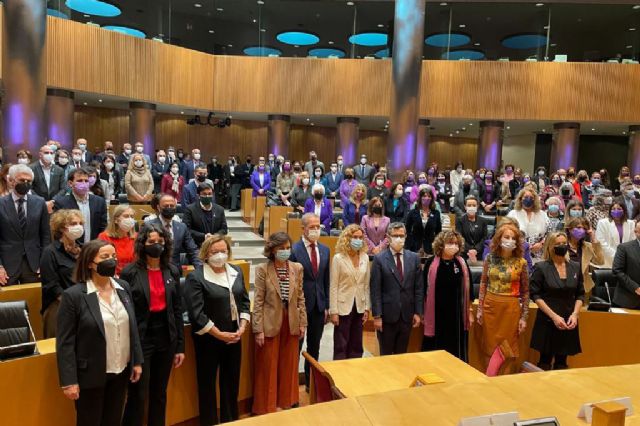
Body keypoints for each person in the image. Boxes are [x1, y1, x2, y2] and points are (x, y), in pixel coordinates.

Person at [56, 240, 143, 426]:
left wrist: (137, 360)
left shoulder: (123, 287)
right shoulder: (74, 296)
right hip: (90, 374)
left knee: (113, 421)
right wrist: (69, 381)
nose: (111, 260)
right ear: (89, 263)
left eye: (113, 256)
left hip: (120, 370)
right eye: (104, 257)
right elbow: (65, 343)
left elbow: (132, 327)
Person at [121, 225, 185, 426]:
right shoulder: (130, 272)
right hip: (142, 337)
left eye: (160, 242)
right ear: (142, 244)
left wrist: (180, 346)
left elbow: (177, 310)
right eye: (151, 242)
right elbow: (127, 312)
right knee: (138, 394)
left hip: (166, 336)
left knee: (159, 393)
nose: (156, 246)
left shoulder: (172, 270)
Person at [252, 232, 307, 414]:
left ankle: (287, 400)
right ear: (272, 249)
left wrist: (303, 323)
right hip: (270, 321)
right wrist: (257, 329)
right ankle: (266, 405)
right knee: (268, 365)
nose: (285, 251)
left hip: (291, 320)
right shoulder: (262, 269)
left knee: (289, 363)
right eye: (281, 248)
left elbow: (300, 298)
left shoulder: (297, 268)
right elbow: (258, 301)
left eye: (287, 248)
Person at [477, 222, 529, 374]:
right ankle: (490, 378)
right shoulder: (489, 258)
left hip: (511, 308)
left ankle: (505, 380)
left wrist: (524, 317)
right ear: (499, 238)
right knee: (490, 347)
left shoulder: (522, 262)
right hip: (490, 306)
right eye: (506, 237)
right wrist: (480, 308)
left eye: (513, 238)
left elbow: (525, 292)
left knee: (508, 348)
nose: (510, 240)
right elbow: (483, 283)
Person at [530, 232, 585, 370]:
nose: (562, 246)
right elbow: (535, 295)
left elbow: (580, 294)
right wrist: (554, 316)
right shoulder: (541, 267)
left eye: (564, 243)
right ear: (550, 246)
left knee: (562, 363)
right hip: (548, 319)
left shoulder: (575, 266)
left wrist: (575, 315)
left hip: (568, 319)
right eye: (558, 244)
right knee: (545, 361)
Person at [288, 213, 330, 390]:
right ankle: (290, 388)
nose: (315, 230)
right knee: (295, 348)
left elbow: (325, 280)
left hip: (319, 306)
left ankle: (311, 385)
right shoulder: (293, 250)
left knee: (314, 347)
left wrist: (327, 304)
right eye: (312, 227)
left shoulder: (325, 250)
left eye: (317, 226)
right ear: (303, 229)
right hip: (300, 307)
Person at [370, 222, 423, 355]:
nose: (399, 238)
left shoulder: (414, 258)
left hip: (407, 315)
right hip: (387, 317)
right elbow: (375, 290)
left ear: (405, 236)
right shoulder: (379, 259)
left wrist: (418, 312)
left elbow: (418, 288)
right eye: (395, 235)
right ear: (388, 237)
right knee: (386, 355)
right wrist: (377, 316)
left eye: (401, 235)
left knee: (402, 355)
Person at [422, 230, 473, 361]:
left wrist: (470, 311)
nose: (453, 246)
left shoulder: (461, 263)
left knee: (455, 350)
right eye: (450, 243)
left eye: (456, 243)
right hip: (436, 313)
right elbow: (423, 288)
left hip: (456, 315)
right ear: (441, 244)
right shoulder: (431, 263)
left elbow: (470, 288)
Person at [0, 164, 51, 285]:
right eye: (22, 180)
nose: (26, 183)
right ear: (11, 181)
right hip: (7, 264)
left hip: (34, 264)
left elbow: (46, 236)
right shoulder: (1, 204)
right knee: (8, 302)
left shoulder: (39, 202)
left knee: (34, 301)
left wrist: (44, 263)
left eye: (29, 181)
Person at [40, 209, 84, 338]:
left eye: (80, 223)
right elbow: (51, 285)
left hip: (83, 303)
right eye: (73, 223)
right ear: (62, 228)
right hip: (59, 305)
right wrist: (70, 304)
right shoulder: (50, 252)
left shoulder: (84, 249)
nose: (79, 227)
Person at [329, 225, 370, 359]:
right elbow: (334, 286)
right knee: (341, 344)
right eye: (355, 237)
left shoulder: (365, 257)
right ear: (347, 238)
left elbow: (366, 285)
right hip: (342, 307)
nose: (358, 240)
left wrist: (367, 308)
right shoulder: (338, 258)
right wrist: (333, 311)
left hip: (359, 306)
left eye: (360, 237)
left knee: (356, 345)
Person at [146, 193, 202, 267]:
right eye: (166, 206)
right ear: (158, 207)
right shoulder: (149, 226)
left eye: (172, 206)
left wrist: (200, 268)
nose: (169, 208)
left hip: (175, 271)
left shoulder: (182, 227)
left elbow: (193, 250)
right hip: (155, 267)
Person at [54, 168, 108, 242]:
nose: (84, 183)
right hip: (71, 247)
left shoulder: (99, 201)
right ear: (70, 183)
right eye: (80, 181)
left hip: (93, 246)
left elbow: (103, 226)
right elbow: (58, 229)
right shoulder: (61, 203)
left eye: (86, 181)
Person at [564, 217, 604, 294]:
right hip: (564, 286)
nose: (581, 230)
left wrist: (593, 238)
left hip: (583, 288)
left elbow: (600, 261)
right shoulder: (562, 245)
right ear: (569, 229)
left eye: (584, 228)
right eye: (578, 227)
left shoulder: (587, 247)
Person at [507, 188, 548, 259]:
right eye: (525, 197)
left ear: (535, 200)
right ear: (520, 199)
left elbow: (550, 232)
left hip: (539, 254)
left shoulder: (543, 214)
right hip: (517, 252)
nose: (528, 199)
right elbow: (506, 232)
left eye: (531, 197)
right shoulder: (512, 214)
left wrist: (542, 243)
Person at [98, 205, 137, 276]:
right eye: (126, 216)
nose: (130, 219)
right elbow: (103, 261)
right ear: (116, 220)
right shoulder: (104, 237)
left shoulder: (136, 237)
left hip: (133, 275)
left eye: (132, 216)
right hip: (112, 276)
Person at [596, 201, 636, 267]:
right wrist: (617, 256)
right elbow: (601, 242)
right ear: (610, 211)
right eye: (613, 209)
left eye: (619, 209)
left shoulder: (631, 223)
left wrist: (625, 256)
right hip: (608, 260)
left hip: (626, 260)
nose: (616, 211)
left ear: (624, 210)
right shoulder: (602, 223)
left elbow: (632, 241)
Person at [405, 187, 442, 256]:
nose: (426, 198)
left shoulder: (436, 213)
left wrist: (435, 245)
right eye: (424, 196)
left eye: (429, 196)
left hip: (430, 248)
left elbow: (438, 232)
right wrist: (410, 243)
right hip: (414, 247)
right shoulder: (412, 213)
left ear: (432, 199)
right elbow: (407, 230)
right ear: (420, 198)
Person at [612, 220, 640, 309]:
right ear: (636, 232)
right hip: (627, 300)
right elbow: (617, 271)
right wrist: (636, 288)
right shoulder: (624, 248)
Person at [31, 144, 66, 209]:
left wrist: (53, 201)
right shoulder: (31, 168)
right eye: (46, 153)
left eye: (51, 153)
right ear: (40, 154)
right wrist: (42, 201)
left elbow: (63, 188)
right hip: (37, 204)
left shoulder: (59, 170)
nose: (49, 155)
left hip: (55, 205)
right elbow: (30, 188)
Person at [456, 195, 489, 264]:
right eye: (469, 205)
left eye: (474, 205)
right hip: (464, 254)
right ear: (465, 207)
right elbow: (459, 237)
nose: (471, 207)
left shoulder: (483, 221)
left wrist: (476, 250)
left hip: (480, 254)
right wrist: (470, 250)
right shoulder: (460, 220)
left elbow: (485, 238)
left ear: (477, 206)